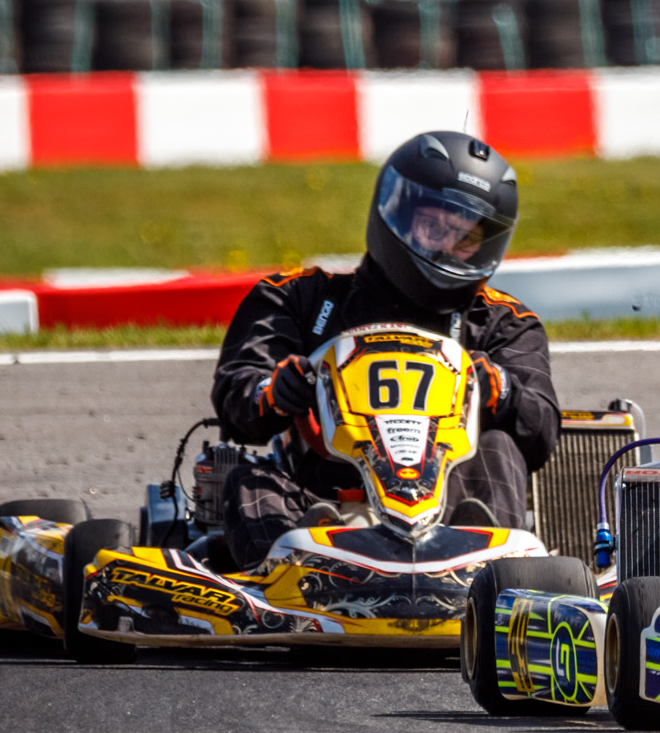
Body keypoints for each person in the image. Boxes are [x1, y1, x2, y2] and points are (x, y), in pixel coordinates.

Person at [208, 130, 560, 568]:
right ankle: (301, 565)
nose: (447, 247)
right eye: (434, 227)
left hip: (451, 512)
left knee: (498, 447)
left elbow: (542, 434)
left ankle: (483, 565)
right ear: (396, 213)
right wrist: (274, 392)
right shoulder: (299, 298)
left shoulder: (502, 322)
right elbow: (237, 393)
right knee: (248, 479)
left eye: (465, 238)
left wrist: (503, 392)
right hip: (322, 499)